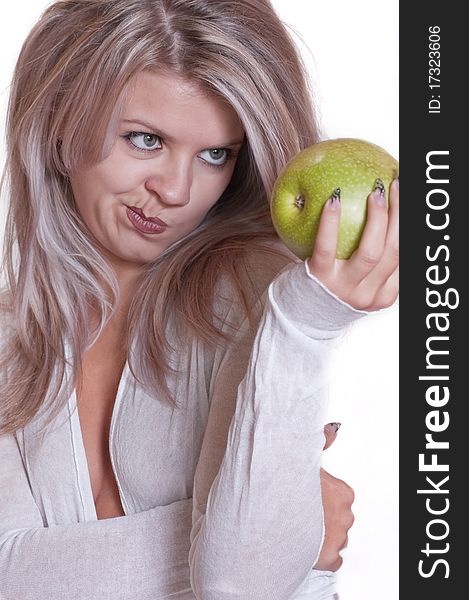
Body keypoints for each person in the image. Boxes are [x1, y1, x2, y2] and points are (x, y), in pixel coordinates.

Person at [0, 0, 399, 598]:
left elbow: (241, 583)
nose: (178, 190)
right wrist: (278, 522)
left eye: (216, 154)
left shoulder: (267, 297)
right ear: (59, 124)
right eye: (144, 139)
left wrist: (306, 326)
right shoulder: (12, 332)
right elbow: (9, 574)